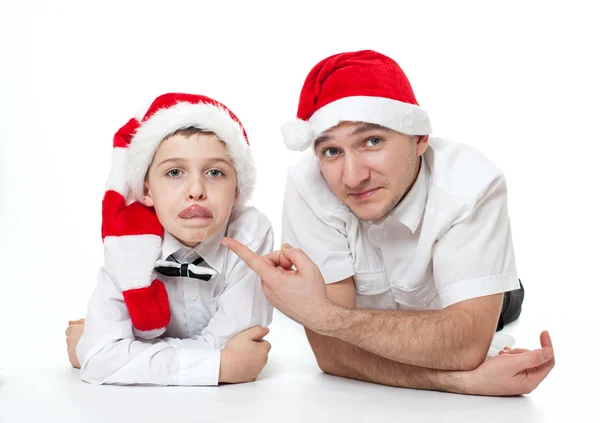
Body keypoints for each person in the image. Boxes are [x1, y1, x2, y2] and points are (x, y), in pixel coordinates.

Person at [222, 50, 554, 396]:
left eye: (373, 141)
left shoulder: (470, 184)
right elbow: (333, 355)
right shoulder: (309, 185)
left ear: (420, 138)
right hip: (388, 316)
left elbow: (466, 345)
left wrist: (326, 317)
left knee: (504, 300)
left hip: (466, 291)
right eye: (332, 151)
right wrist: (461, 382)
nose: (352, 178)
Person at [67, 92, 273, 386]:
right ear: (147, 191)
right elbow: (99, 359)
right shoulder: (126, 245)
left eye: (215, 172)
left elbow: (237, 344)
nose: (196, 190)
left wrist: (117, 353)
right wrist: (219, 367)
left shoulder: (250, 234)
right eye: (175, 172)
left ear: (237, 190)